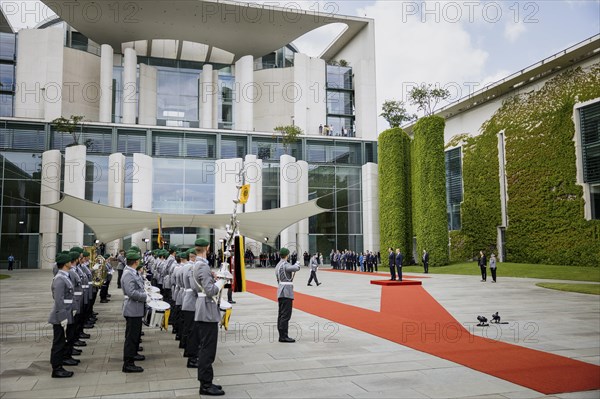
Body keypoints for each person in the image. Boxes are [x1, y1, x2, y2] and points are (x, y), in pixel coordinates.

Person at [192, 238, 226, 396]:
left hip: (203, 308)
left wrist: (213, 278)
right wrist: (222, 281)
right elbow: (210, 291)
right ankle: (205, 385)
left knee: (206, 348)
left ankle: (207, 382)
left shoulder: (197, 264)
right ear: (207, 247)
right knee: (207, 350)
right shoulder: (203, 266)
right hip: (207, 310)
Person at [48, 253, 75, 378]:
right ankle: (56, 368)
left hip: (65, 313)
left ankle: (59, 365)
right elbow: (59, 300)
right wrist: (63, 317)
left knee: (61, 342)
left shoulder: (64, 276)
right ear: (65, 264)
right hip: (60, 315)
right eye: (70, 261)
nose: (72, 262)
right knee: (58, 343)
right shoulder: (59, 278)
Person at [121, 250, 147, 373]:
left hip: (136, 308)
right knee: (131, 336)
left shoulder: (132, 272)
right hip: (132, 308)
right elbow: (131, 292)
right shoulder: (128, 274)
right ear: (136, 262)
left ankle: (134, 353)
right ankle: (128, 363)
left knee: (135, 334)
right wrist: (145, 296)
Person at [275, 247, 300, 343]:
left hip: (281, 291)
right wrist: (297, 263)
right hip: (286, 292)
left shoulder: (278, 265)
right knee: (286, 315)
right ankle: (283, 336)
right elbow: (295, 268)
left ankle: (281, 334)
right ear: (287, 255)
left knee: (281, 315)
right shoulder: (285, 265)